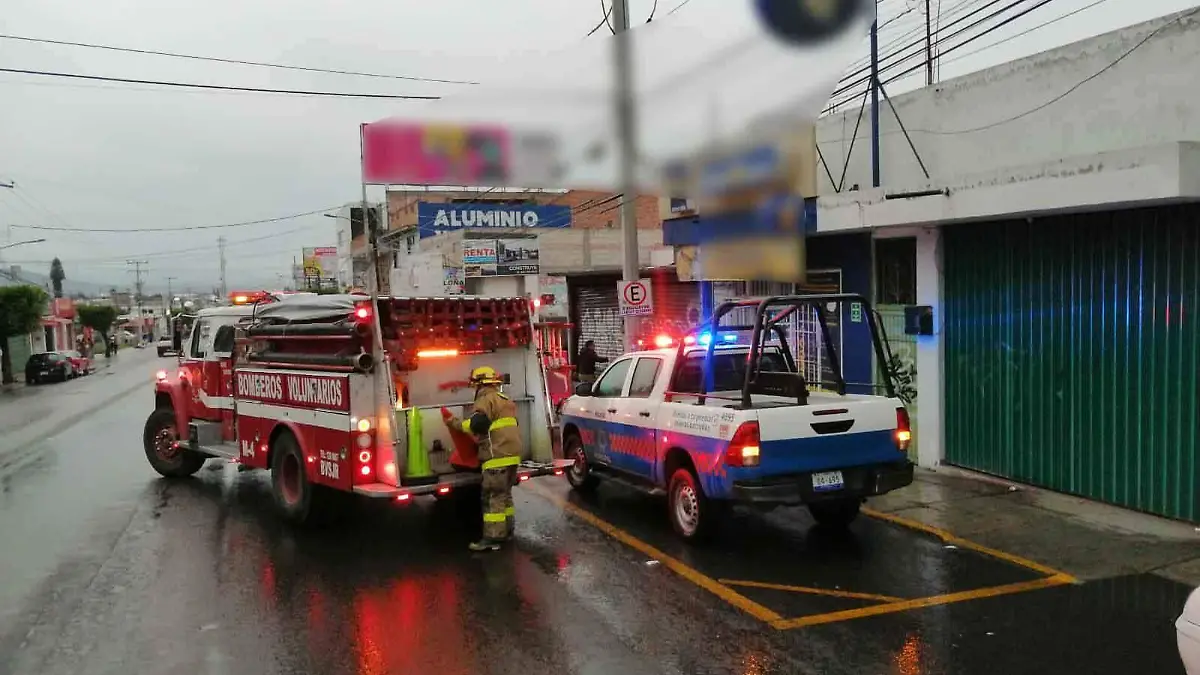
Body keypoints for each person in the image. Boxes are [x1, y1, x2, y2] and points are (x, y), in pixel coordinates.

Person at [441, 366, 521, 552]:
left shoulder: (485, 400)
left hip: (496, 457)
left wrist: (454, 423)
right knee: (504, 496)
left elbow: (477, 425)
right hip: (512, 456)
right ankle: (507, 531)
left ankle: (492, 539)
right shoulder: (504, 399)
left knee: (492, 497)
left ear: (479, 384)